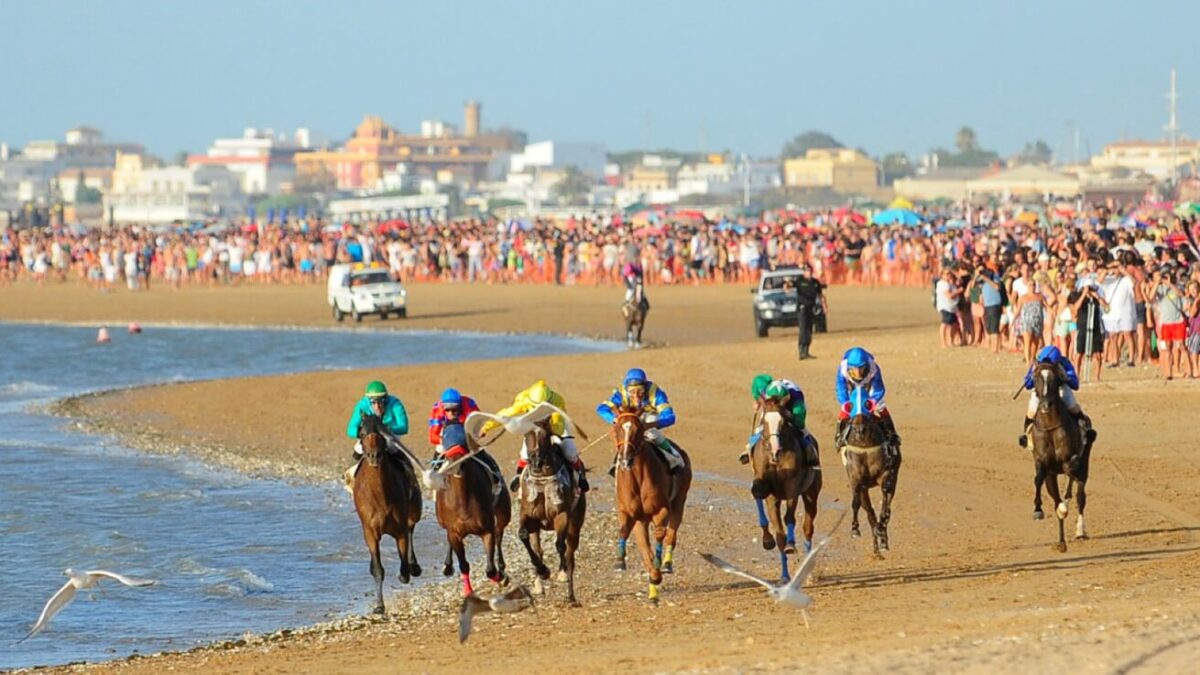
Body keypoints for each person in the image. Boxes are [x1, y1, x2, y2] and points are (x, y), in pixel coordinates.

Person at [481, 380, 588, 493]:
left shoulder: (557, 400)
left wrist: (551, 431)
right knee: (525, 453)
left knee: (569, 452)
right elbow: (505, 414)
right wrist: (486, 427)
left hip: (555, 424)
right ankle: (519, 476)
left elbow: (559, 422)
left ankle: (581, 476)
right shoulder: (523, 400)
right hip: (533, 424)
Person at [596, 368, 684, 474]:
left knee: (651, 433)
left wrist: (651, 424)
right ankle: (618, 461)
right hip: (631, 417)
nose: (636, 396)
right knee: (625, 433)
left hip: (649, 416)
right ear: (627, 390)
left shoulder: (655, 393)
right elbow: (601, 408)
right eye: (632, 392)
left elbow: (670, 417)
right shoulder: (621, 394)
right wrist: (614, 419)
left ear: (645, 388)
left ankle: (672, 455)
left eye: (640, 391)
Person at [1017, 345, 1096, 449]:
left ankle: (1085, 429)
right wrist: (1032, 377)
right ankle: (1026, 435)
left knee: (1072, 405)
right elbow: (1027, 384)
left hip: (1059, 389)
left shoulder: (1064, 363)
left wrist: (1066, 377)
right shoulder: (1037, 364)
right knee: (1032, 410)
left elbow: (1075, 385)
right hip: (1041, 390)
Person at [834, 347, 901, 462]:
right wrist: (845, 403)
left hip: (869, 391)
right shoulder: (842, 369)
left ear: (866, 365)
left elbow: (879, 389)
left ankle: (892, 435)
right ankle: (839, 437)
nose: (858, 373)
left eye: (861, 368)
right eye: (854, 369)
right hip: (852, 391)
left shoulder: (873, 368)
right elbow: (840, 389)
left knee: (881, 408)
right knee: (843, 413)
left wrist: (873, 401)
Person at [741, 373, 814, 465]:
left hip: (790, 409)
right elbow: (757, 381)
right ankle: (750, 448)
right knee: (762, 427)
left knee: (800, 430)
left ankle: (809, 448)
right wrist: (758, 400)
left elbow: (799, 422)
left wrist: (787, 415)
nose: (776, 404)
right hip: (770, 406)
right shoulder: (765, 389)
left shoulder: (797, 402)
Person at [346, 380, 409, 455]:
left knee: (392, 447)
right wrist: (364, 432)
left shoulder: (395, 404)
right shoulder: (362, 406)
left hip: (390, 434)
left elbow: (404, 427)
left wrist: (387, 429)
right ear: (369, 401)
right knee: (358, 449)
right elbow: (350, 429)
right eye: (373, 402)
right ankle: (352, 466)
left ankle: (405, 465)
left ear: (386, 399)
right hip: (369, 434)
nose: (377, 407)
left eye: (381, 401)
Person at [794, 266, 826, 360]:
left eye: (810, 271)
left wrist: (824, 306)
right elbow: (791, 284)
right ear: (804, 272)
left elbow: (820, 295)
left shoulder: (815, 282)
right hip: (802, 309)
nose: (809, 273)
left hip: (811, 309)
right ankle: (801, 351)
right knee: (803, 329)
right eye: (807, 271)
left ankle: (807, 351)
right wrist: (786, 285)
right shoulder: (800, 281)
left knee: (809, 330)